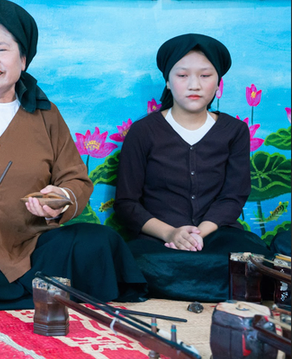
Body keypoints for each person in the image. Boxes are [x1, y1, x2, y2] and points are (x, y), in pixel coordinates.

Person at [0, 0, 147, 315]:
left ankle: (6, 297)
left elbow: (75, 178)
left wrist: (60, 198)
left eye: (2, 50)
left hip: (32, 251)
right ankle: (38, 295)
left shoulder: (46, 115)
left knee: (97, 242)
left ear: (23, 59)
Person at [114, 33, 271, 301]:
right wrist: (172, 234)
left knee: (252, 261)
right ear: (167, 80)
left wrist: (199, 234)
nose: (194, 85)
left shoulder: (234, 131)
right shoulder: (143, 132)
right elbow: (127, 203)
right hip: (159, 242)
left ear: (218, 82)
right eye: (183, 75)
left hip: (217, 237)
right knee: (134, 264)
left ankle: (183, 286)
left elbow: (233, 197)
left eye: (205, 76)